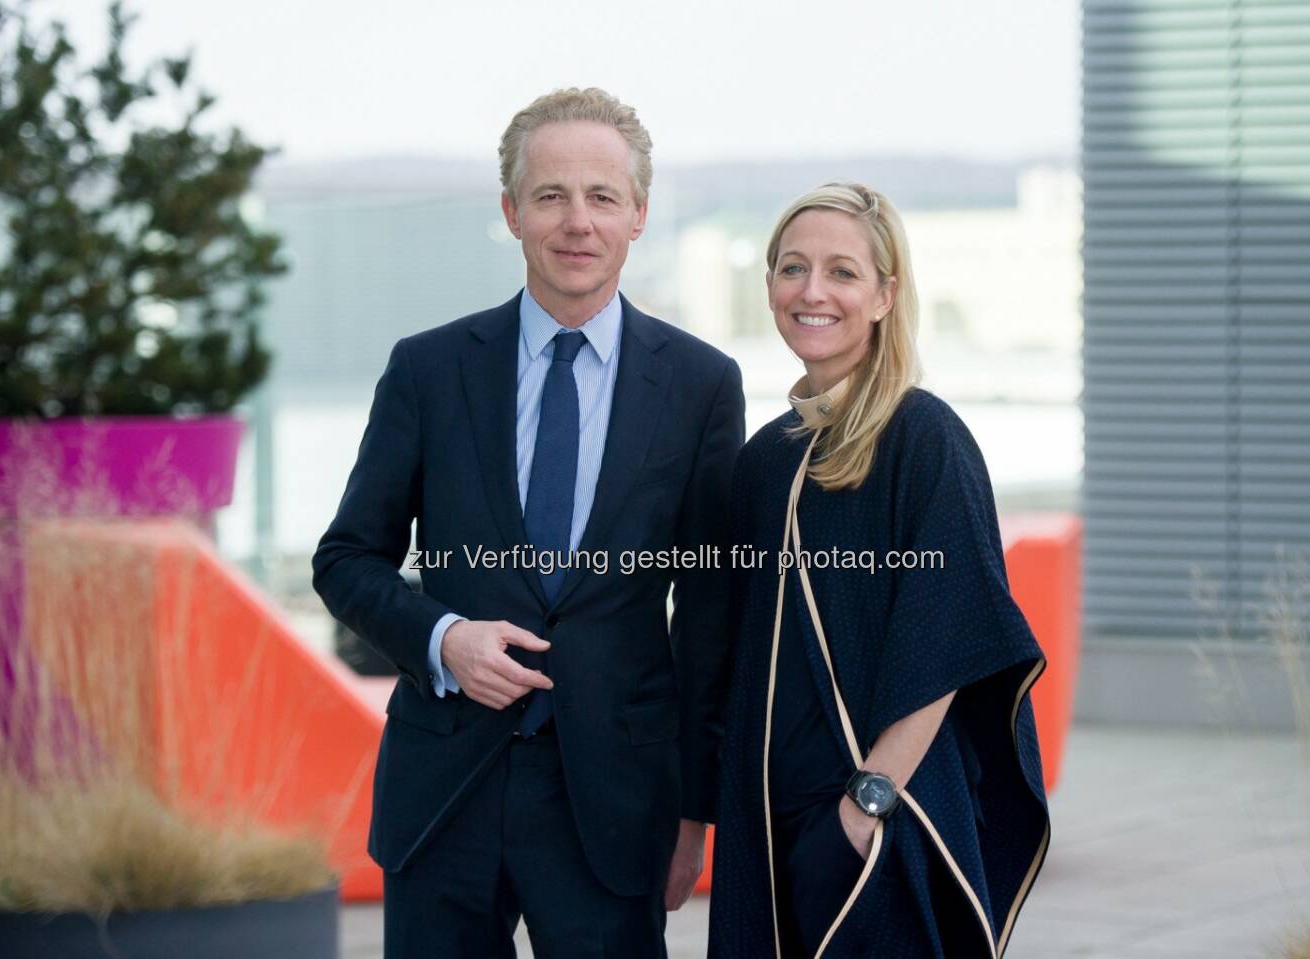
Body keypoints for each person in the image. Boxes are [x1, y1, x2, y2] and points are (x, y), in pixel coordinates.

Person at [312, 87, 744, 958]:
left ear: (638, 216)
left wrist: (694, 814)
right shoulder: (429, 370)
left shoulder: (701, 384)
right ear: (511, 212)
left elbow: (709, 618)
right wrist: (442, 637)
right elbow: (346, 557)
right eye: (550, 196)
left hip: (615, 806)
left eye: (601, 197)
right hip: (443, 794)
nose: (576, 221)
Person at [707, 183, 1050, 959]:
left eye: (842, 272)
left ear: (886, 294)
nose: (812, 291)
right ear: (768, 288)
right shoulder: (767, 457)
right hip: (768, 818)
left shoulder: (923, 438)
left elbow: (950, 637)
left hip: (876, 819)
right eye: (792, 269)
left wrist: (866, 805)